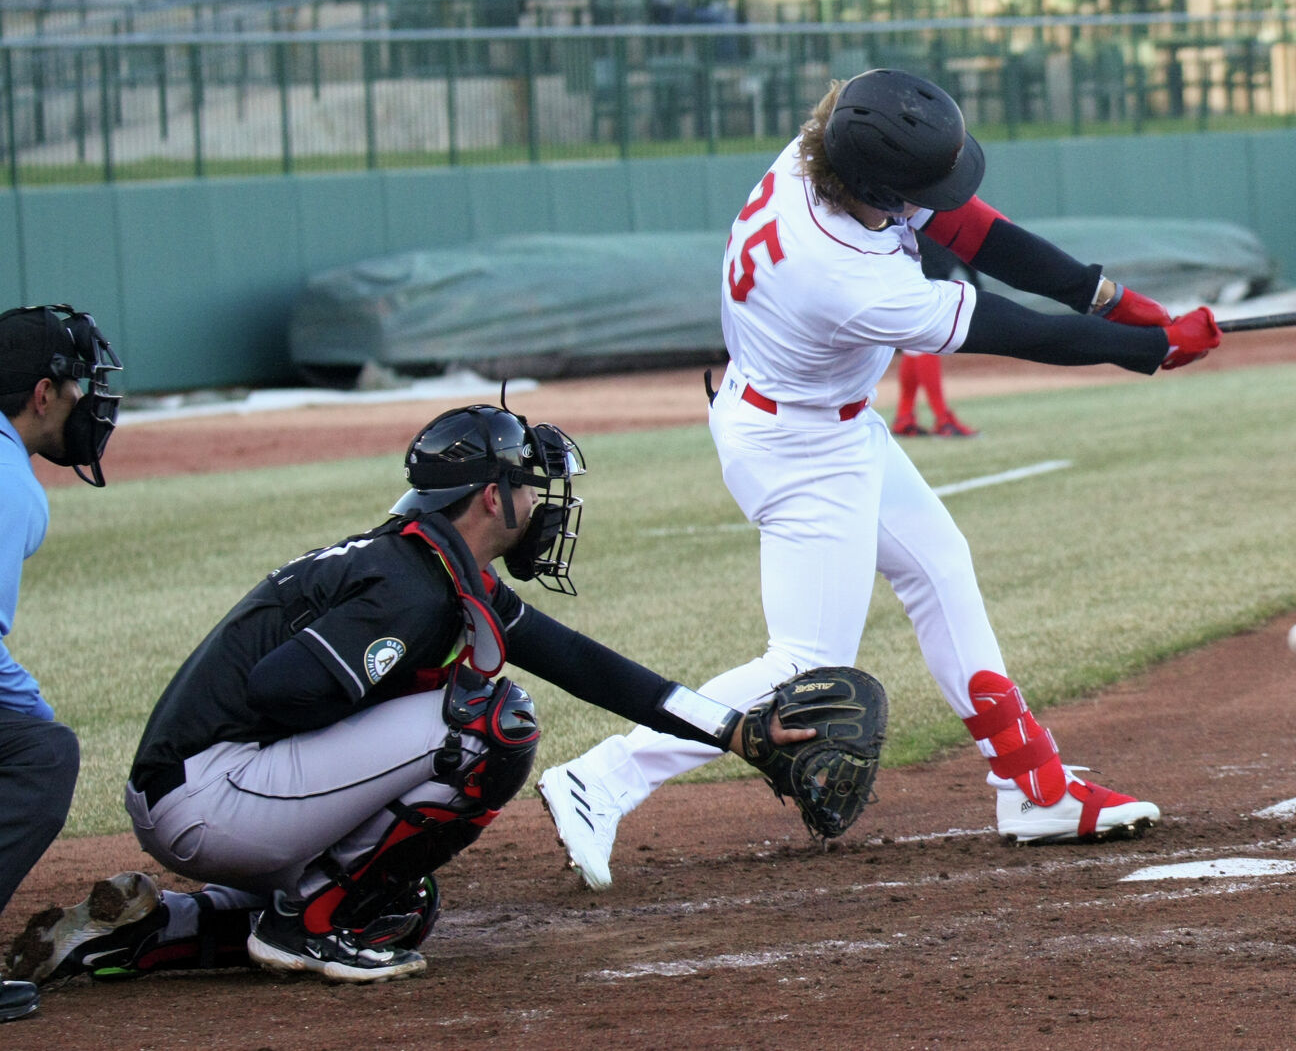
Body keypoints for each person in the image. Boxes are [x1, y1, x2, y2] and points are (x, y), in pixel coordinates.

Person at [540, 71, 1220, 889]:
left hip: (824, 417)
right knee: (804, 665)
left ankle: (1031, 783)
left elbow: (971, 229)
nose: (933, 199)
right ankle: (604, 776)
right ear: (873, 187)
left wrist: (1109, 297)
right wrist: (1143, 348)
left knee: (940, 565)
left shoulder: (821, 150)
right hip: (797, 446)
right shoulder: (846, 274)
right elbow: (1007, 325)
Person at [6, 405, 815, 988]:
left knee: (396, 900)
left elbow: (584, 663)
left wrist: (735, 729)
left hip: (208, 787)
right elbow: (278, 685)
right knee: (489, 724)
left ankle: (155, 929)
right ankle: (307, 923)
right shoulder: (407, 586)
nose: (541, 504)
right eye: (529, 486)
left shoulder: (428, 562)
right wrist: (393, 696)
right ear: (490, 496)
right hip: (214, 792)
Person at [0, 306, 120, 1025]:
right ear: (43, 395)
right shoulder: (11, 485)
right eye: (78, 388)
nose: (89, 404)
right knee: (41, 755)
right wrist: (35, 712)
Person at [894, 233, 977, 437]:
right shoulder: (915, 207)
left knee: (914, 350)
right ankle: (942, 419)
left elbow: (960, 244)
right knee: (926, 345)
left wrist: (974, 277)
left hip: (927, 282)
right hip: (919, 282)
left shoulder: (942, 206)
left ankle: (904, 417)